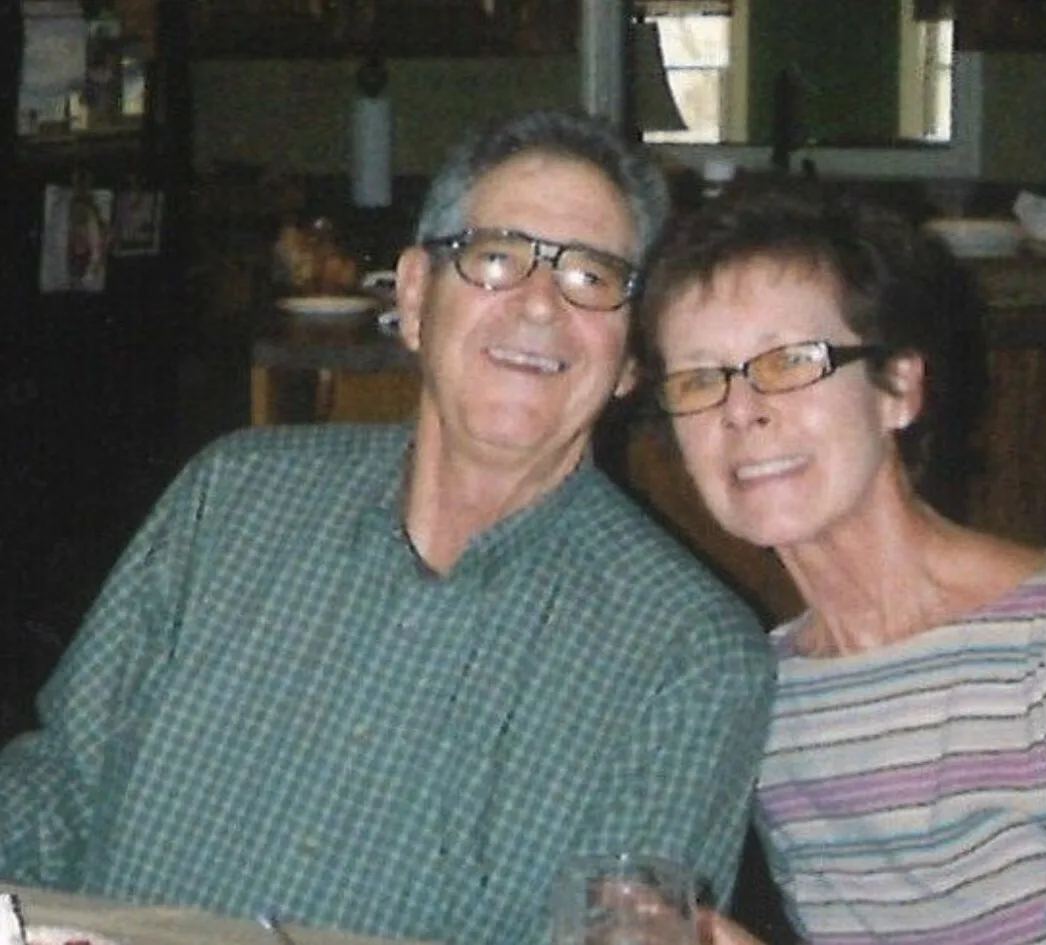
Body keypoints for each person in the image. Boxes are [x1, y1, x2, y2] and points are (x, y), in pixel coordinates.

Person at [0, 109, 775, 945]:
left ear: (630, 359)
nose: (539, 305)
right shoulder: (230, 499)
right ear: (413, 296)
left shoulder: (687, 657)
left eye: (591, 276)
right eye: (496, 256)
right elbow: (59, 788)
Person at [637, 181, 1046, 944]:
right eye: (699, 380)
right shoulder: (769, 690)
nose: (741, 409)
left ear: (898, 389)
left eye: (790, 361)